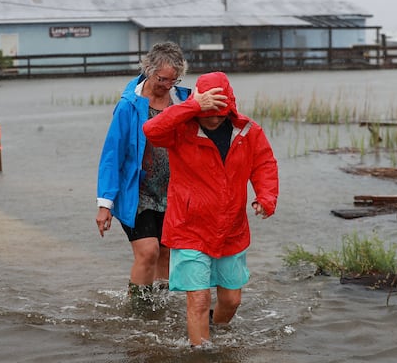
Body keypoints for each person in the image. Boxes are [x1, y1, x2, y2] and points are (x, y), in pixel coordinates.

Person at [143, 71, 279, 347]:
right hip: (188, 228)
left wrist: (266, 197)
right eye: (208, 111)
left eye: (221, 111)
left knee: (231, 300)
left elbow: (264, 164)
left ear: (231, 106)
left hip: (232, 229)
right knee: (199, 298)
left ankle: (210, 332)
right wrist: (193, 105)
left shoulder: (248, 131)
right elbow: (151, 130)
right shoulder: (181, 129)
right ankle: (200, 351)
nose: (214, 118)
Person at [95, 41, 191, 302]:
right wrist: (105, 203)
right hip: (137, 193)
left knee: (166, 251)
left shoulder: (184, 100)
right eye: (162, 79)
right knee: (148, 251)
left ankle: (159, 306)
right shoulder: (129, 105)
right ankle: (137, 309)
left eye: (173, 80)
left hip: (172, 192)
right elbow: (112, 155)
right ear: (148, 70)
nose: (167, 85)